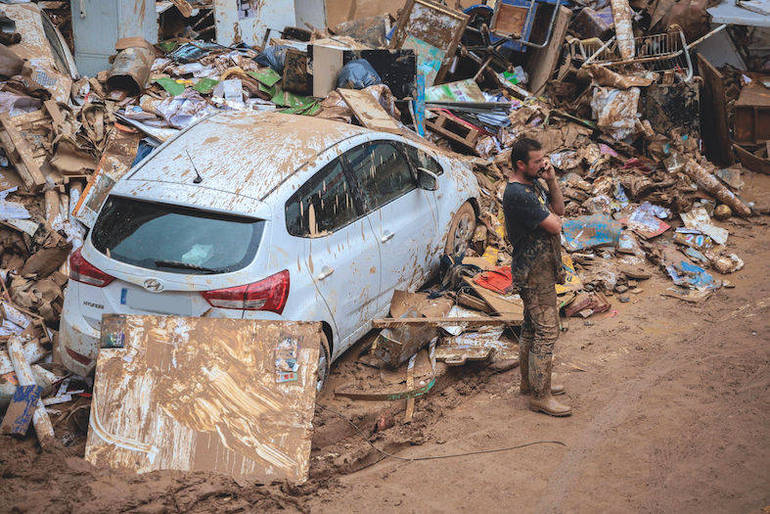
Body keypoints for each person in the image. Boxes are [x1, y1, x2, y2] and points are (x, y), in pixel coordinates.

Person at [502, 137, 571, 417]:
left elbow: (560, 210)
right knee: (547, 331)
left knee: (532, 328)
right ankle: (540, 396)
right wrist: (556, 222)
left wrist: (552, 180)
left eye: (544, 159)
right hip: (532, 273)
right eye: (537, 161)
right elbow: (555, 225)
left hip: (540, 268)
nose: (543, 164)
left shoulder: (534, 184)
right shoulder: (519, 193)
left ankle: (531, 384)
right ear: (521, 164)